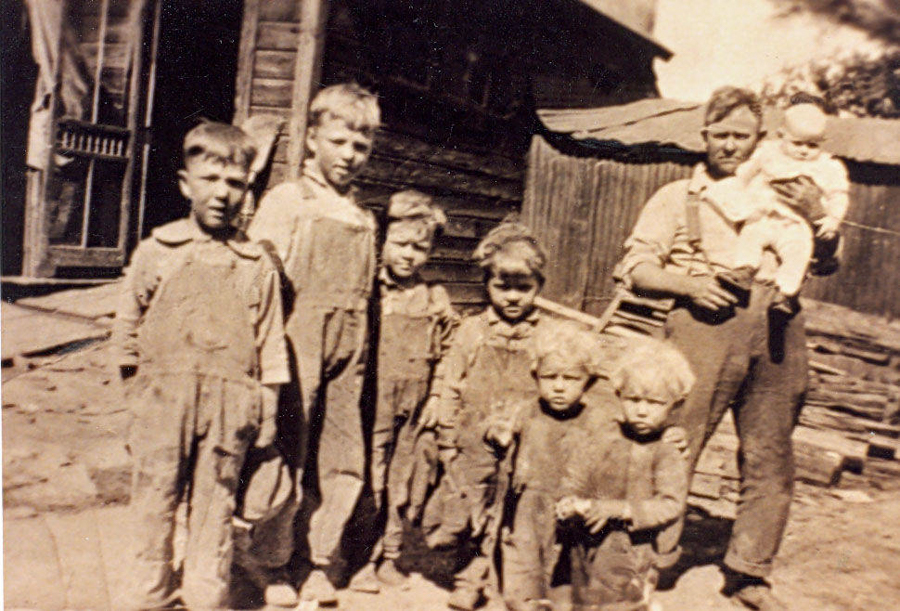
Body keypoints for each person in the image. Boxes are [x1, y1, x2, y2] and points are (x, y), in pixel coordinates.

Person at [615, 86, 839, 610]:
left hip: (780, 324)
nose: (731, 147)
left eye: (742, 136)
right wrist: (688, 286)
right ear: (704, 137)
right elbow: (636, 268)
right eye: (721, 136)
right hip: (703, 324)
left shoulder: (794, 186)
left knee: (770, 452)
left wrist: (819, 217)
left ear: (761, 139)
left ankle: (749, 571)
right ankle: (650, 566)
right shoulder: (679, 196)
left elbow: (827, 261)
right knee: (675, 445)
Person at [114, 121, 289, 609]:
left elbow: (270, 342)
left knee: (215, 510)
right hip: (162, 403)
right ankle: (147, 596)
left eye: (235, 183)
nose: (222, 194)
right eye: (210, 180)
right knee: (153, 503)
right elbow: (127, 329)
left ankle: (205, 596)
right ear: (185, 183)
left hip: (229, 409)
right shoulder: (157, 251)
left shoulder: (256, 265)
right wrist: (133, 397)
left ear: (246, 191)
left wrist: (267, 409)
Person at [247, 82, 380, 605]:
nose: (349, 156)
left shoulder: (363, 217)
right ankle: (271, 560)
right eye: (339, 141)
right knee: (288, 449)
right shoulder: (287, 202)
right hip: (295, 344)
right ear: (311, 140)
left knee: (343, 453)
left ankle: (319, 558)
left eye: (360, 147)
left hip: (351, 351)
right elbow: (258, 284)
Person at [420, 219, 565, 611]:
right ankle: (469, 578)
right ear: (487, 284)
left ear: (539, 287)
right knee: (470, 509)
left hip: (525, 443)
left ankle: (516, 585)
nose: (513, 297)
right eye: (503, 287)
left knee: (518, 511)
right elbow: (450, 384)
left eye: (524, 288)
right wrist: (448, 438)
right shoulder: (471, 331)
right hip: (474, 439)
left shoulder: (548, 335)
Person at [349, 190, 460, 592]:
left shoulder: (434, 297)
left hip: (414, 411)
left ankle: (389, 556)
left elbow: (450, 351)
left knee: (403, 482)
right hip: (371, 406)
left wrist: (436, 396)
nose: (409, 255)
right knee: (368, 480)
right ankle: (358, 557)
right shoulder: (370, 293)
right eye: (400, 244)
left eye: (420, 247)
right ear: (381, 241)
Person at [555, 338, 693, 611]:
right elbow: (579, 470)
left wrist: (618, 509)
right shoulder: (606, 435)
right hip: (589, 540)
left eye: (654, 403)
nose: (641, 411)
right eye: (633, 399)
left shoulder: (666, 451)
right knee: (583, 599)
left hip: (634, 547)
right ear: (619, 396)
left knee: (620, 603)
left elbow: (671, 505)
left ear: (675, 406)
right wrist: (569, 498)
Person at [500, 323, 615, 611]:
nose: (559, 386)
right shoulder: (527, 410)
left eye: (571, 378)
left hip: (574, 502)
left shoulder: (597, 418)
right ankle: (528, 599)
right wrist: (497, 433)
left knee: (572, 559)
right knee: (527, 555)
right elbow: (498, 425)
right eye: (550, 377)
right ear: (535, 376)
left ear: (587, 382)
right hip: (531, 499)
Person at [705, 102, 850, 312]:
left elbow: (839, 194)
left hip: (795, 224)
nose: (804, 151)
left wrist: (829, 218)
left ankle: (785, 294)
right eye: (797, 143)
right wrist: (736, 189)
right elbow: (743, 174)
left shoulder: (827, 166)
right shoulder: (769, 154)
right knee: (750, 237)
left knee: (798, 253)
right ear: (781, 136)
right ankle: (744, 271)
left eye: (812, 145)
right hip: (763, 217)